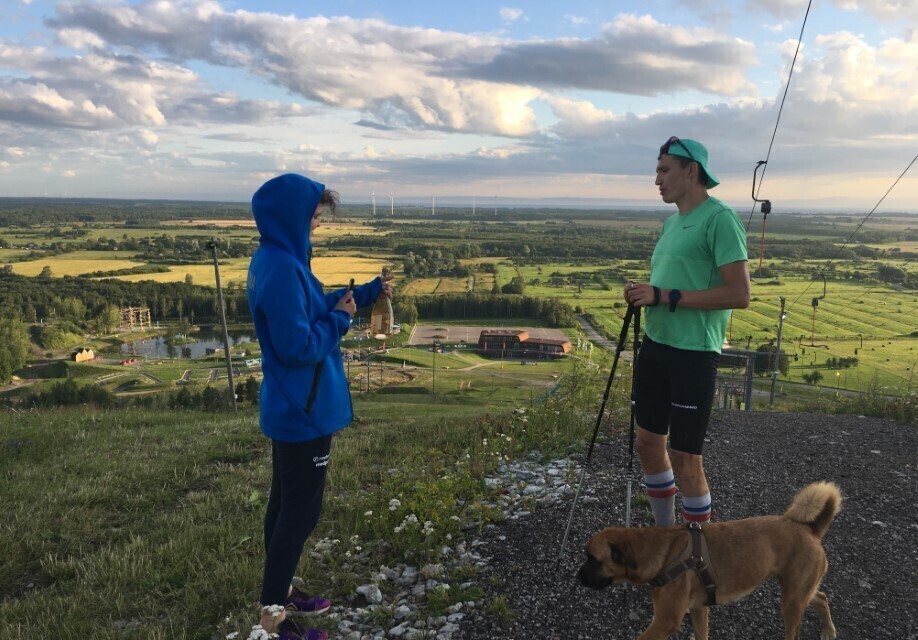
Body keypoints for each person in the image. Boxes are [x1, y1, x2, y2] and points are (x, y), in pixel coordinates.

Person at [247, 173, 393, 639]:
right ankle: (273, 619)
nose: (317, 225)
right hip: (304, 409)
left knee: (284, 506)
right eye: (312, 216)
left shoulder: (278, 260)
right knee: (299, 513)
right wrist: (343, 320)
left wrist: (364, 294)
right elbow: (299, 346)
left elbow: (311, 309)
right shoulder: (283, 270)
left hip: (292, 404)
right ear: (292, 217)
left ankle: (281, 595)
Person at [623, 137, 749, 527]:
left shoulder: (720, 218)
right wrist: (646, 293)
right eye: (657, 171)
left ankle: (697, 551)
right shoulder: (671, 223)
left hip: (693, 353)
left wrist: (663, 295)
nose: (657, 180)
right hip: (656, 345)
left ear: (691, 170)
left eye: (664, 170)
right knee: (648, 444)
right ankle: (665, 536)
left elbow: (739, 294)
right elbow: (672, 284)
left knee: (685, 457)